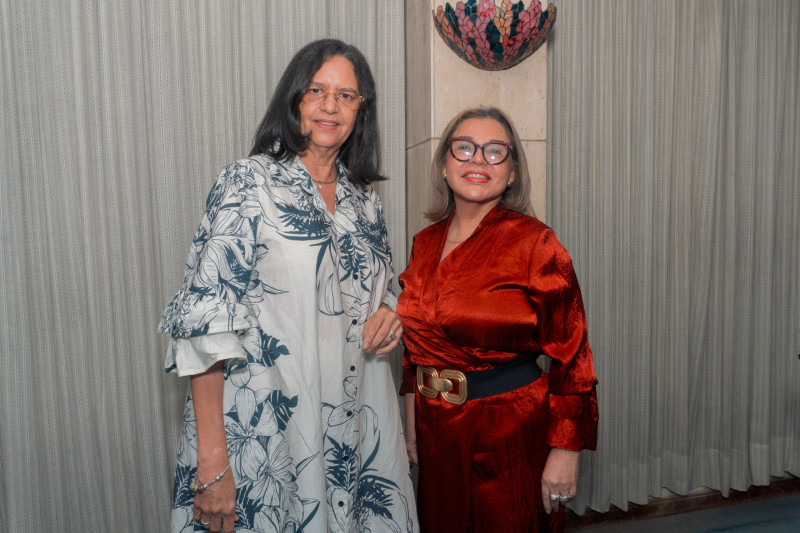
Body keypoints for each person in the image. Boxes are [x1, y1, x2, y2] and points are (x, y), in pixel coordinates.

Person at [159, 39, 418, 533]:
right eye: (317, 90)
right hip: (265, 425)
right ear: (294, 98)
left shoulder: (366, 202)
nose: (330, 105)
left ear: (361, 111)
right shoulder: (247, 183)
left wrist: (393, 314)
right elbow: (205, 321)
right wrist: (213, 459)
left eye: (347, 95)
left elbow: (383, 291)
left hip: (357, 422)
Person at [397, 107, 598, 532]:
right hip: (437, 428)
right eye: (465, 148)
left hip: (510, 429)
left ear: (511, 173)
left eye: (494, 152)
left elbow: (573, 358)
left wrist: (566, 450)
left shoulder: (535, 242)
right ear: (445, 164)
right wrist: (412, 419)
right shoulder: (424, 242)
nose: (477, 160)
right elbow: (416, 345)